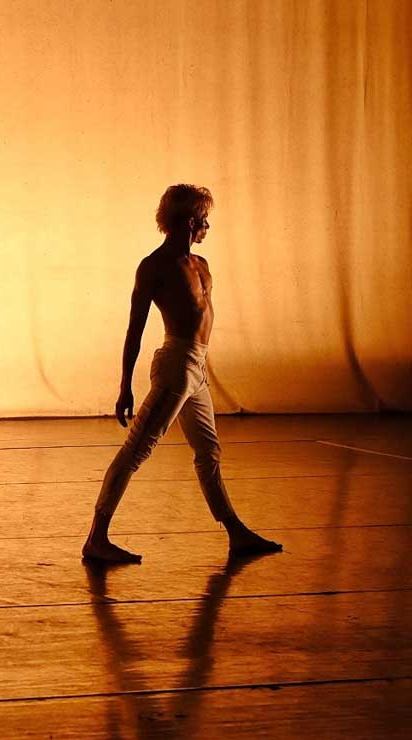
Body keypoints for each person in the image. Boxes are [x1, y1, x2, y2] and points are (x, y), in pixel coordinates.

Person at [81, 185, 283, 564]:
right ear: (191, 221)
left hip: (198, 369)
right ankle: (96, 538)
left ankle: (236, 533)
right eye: (205, 219)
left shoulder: (202, 265)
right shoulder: (154, 267)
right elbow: (134, 328)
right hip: (176, 366)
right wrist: (124, 385)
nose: (208, 227)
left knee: (208, 451)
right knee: (137, 450)